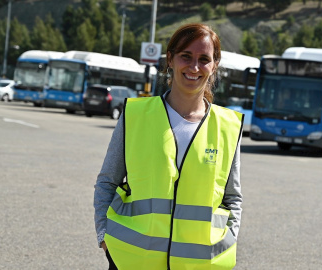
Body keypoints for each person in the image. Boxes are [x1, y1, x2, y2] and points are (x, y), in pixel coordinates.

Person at [94, 23, 244, 270]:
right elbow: (107, 182)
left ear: (214, 65)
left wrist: (228, 239)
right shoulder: (136, 115)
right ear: (170, 59)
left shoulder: (227, 126)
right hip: (133, 260)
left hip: (198, 265)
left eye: (204, 59)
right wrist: (104, 237)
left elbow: (233, 197)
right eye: (186, 56)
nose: (194, 67)